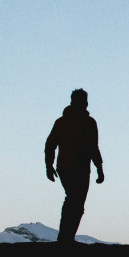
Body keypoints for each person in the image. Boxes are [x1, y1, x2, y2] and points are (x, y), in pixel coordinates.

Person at [44, 89, 105, 241]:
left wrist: (49, 165)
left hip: (63, 167)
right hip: (80, 168)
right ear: (85, 103)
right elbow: (93, 147)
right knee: (76, 203)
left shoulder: (61, 122)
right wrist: (99, 168)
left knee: (71, 199)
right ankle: (66, 238)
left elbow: (50, 144)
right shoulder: (88, 122)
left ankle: (65, 237)